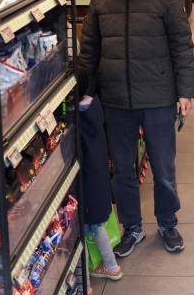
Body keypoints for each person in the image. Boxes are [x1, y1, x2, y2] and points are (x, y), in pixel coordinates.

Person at [79, 0, 194, 258]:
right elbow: (90, 47)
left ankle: (167, 222)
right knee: (122, 170)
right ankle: (132, 227)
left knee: (163, 166)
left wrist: (185, 90)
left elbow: (182, 45)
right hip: (115, 98)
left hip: (158, 95)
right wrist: (85, 91)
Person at [78, 92, 122, 283]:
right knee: (95, 226)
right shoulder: (94, 110)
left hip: (90, 186)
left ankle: (111, 267)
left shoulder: (80, 124)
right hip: (100, 181)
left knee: (93, 227)